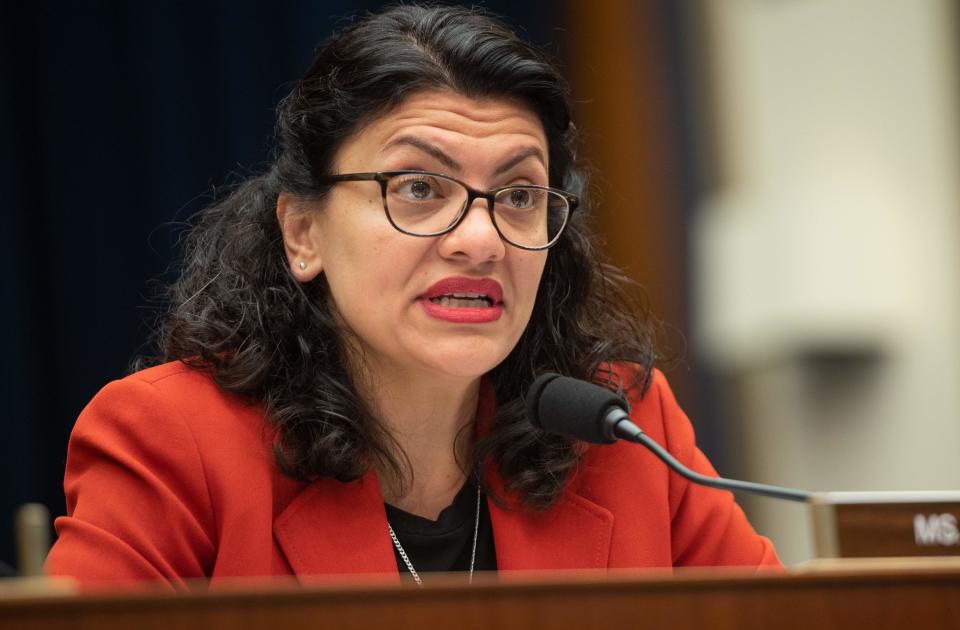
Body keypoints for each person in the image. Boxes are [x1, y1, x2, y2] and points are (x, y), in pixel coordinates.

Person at [46, 5, 780, 587]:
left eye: (519, 194)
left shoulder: (620, 429)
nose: (481, 240)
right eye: (420, 189)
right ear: (303, 233)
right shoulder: (171, 441)